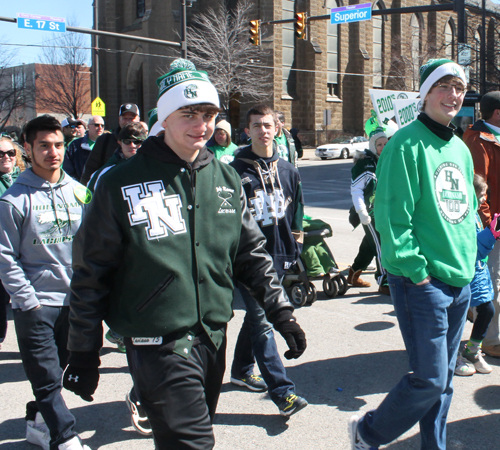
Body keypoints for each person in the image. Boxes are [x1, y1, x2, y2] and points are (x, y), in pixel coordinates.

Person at [63, 59, 306, 449]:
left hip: (211, 337)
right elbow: (91, 272)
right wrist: (83, 351)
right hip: (154, 341)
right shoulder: (120, 183)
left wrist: (282, 313)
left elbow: (250, 254)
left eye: (209, 114)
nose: (202, 125)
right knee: (194, 443)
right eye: (188, 114)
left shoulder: (226, 178)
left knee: (184, 438)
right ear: (164, 117)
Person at [349, 59, 476, 450]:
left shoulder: (459, 146)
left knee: (445, 381)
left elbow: (464, 211)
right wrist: (415, 272)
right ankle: (368, 432)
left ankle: (433, 446)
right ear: (425, 93)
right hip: (424, 283)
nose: (453, 95)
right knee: (429, 378)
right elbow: (392, 217)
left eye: (458, 87)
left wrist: (473, 262)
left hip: (460, 279)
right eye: (444, 86)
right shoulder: (405, 143)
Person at [0, 115, 90, 450]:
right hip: (36, 304)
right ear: (28, 148)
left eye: (58, 145)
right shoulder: (14, 200)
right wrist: (27, 300)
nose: (53, 152)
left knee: (59, 373)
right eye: (44, 146)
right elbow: (4, 256)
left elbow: (95, 247)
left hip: (75, 303)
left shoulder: (81, 194)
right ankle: (65, 437)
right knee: (47, 376)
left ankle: (38, 420)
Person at [229, 104, 308, 416]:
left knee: (256, 317)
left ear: (278, 129)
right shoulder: (235, 171)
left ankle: (240, 370)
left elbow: (298, 208)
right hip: (249, 260)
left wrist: (297, 243)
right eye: (256, 125)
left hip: (282, 257)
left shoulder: (289, 170)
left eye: (268, 124)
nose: (263, 130)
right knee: (263, 322)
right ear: (247, 131)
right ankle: (283, 392)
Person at [463, 91, 500, 358]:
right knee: (492, 282)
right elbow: (478, 190)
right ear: (497, 114)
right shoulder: (477, 140)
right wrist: (490, 228)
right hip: (492, 227)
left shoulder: (491, 137)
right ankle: (490, 339)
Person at [455, 174, 498, 376]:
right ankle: (452, 355)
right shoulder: (461, 216)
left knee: (487, 310)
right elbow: (471, 249)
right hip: (462, 272)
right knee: (458, 316)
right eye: (481, 195)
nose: (484, 199)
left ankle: (472, 349)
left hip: (477, 271)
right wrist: (491, 233)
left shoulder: (473, 213)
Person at [347, 127, 389, 295]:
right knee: (380, 242)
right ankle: (384, 280)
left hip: (385, 210)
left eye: (386, 143)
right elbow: (356, 190)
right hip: (369, 211)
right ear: (373, 146)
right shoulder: (364, 163)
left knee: (369, 245)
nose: (384, 147)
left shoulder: (388, 160)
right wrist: (362, 212)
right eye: (379, 144)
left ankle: (353, 273)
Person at [0, 135, 25, 349]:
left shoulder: (25, 179)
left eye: (10, 153)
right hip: (2, 250)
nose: (6, 157)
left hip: (24, 252)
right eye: (0, 154)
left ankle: (32, 343)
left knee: (24, 302)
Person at [80, 103, 140, 185]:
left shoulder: (147, 142)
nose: (128, 121)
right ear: (119, 119)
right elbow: (90, 169)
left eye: (131, 118)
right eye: (125, 118)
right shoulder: (105, 141)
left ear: (139, 119)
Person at [87, 122, 147, 192]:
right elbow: (90, 196)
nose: (132, 145)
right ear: (119, 142)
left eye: (137, 142)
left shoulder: (152, 167)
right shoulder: (105, 172)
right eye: (127, 141)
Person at [63, 116, 105, 182]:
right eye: (96, 125)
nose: (100, 128)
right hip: (81, 188)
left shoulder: (108, 145)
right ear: (88, 126)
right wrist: (78, 185)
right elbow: (68, 170)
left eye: (102, 125)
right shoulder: (75, 145)